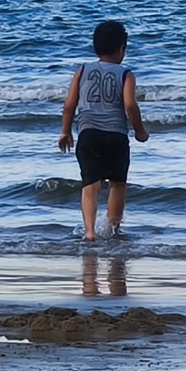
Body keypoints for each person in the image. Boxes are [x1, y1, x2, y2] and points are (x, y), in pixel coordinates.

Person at [57, 20, 148, 241]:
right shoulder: (126, 74)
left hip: (88, 134)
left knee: (90, 184)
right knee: (118, 183)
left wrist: (65, 131)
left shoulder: (82, 70)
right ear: (122, 48)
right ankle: (113, 229)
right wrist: (139, 130)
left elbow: (69, 105)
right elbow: (130, 105)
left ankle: (89, 232)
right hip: (116, 136)